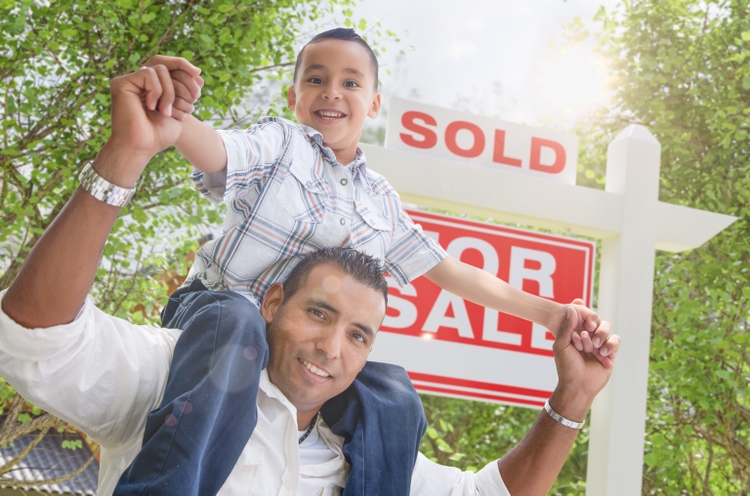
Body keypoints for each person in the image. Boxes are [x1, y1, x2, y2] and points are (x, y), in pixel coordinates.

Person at [103, 28, 612, 494]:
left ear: (373, 104)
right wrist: (173, 121)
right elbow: (217, 150)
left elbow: (451, 270)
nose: (331, 92)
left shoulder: (380, 201)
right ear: (294, 97)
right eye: (316, 79)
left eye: (350, 82)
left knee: (393, 392)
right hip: (221, 317)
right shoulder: (280, 145)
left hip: (300, 344)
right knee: (236, 319)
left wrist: (549, 314)